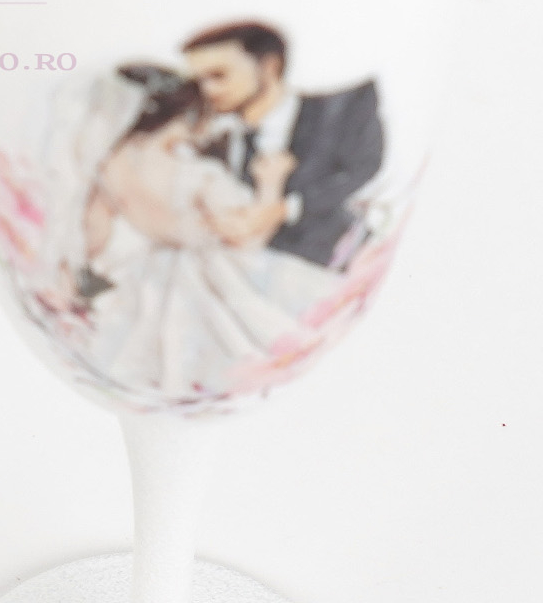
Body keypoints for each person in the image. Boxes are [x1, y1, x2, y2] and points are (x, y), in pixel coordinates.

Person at [56, 68, 340, 401]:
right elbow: (247, 237)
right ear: (185, 117)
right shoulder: (197, 173)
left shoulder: (112, 166)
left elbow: (95, 231)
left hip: (146, 275)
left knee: (145, 345)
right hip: (205, 272)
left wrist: (79, 268)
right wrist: (270, 185)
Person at [181, 22, 384, 269]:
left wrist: (284, 209)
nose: (207, 90)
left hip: (342, 264)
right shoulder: (212, 142)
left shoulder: (340, 112)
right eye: (198, 81)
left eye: (218, 75)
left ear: (270, 66)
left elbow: (363, 170)